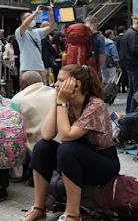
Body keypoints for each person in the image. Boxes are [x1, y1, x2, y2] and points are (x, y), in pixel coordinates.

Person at [20, 65, 120, 221]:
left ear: (77, 84)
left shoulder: (96, 105)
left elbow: (67, 135)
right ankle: (39, 208)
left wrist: (61, 101)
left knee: (66, 149)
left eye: (60, 80)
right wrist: (57, 101)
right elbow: (47, 134)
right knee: (42, 147)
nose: (56, 85)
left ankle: (73, 214)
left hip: (103, 162)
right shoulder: (66, 103)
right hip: (77, 155)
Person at [15, 6, 56, 84]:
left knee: (41, 90)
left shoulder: (37, 32)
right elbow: (24, 26)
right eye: (28, 17)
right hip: (27, 67)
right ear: (22, 20)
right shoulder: (19, 31)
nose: (32, 19)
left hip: (40, 67)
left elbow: (52, 27)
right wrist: (35, 13)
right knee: (27, 91)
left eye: (32, 17)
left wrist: (51, 14)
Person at [119, 18, 138, 113]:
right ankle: (134, 110)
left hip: (129, 64)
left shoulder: (128, 33)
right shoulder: (133, 35)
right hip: (135, 64)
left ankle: (130, 110)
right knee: (136, 89)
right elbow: (135, 49)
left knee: (132, 89)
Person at [115, 26, 128, 93]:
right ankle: (123, 88)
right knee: (124, 74)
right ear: (124, 30)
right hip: (124, 58)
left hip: (117, 58)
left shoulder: (116, 38)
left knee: (118, 73)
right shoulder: (125, 38)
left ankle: (118, 88)